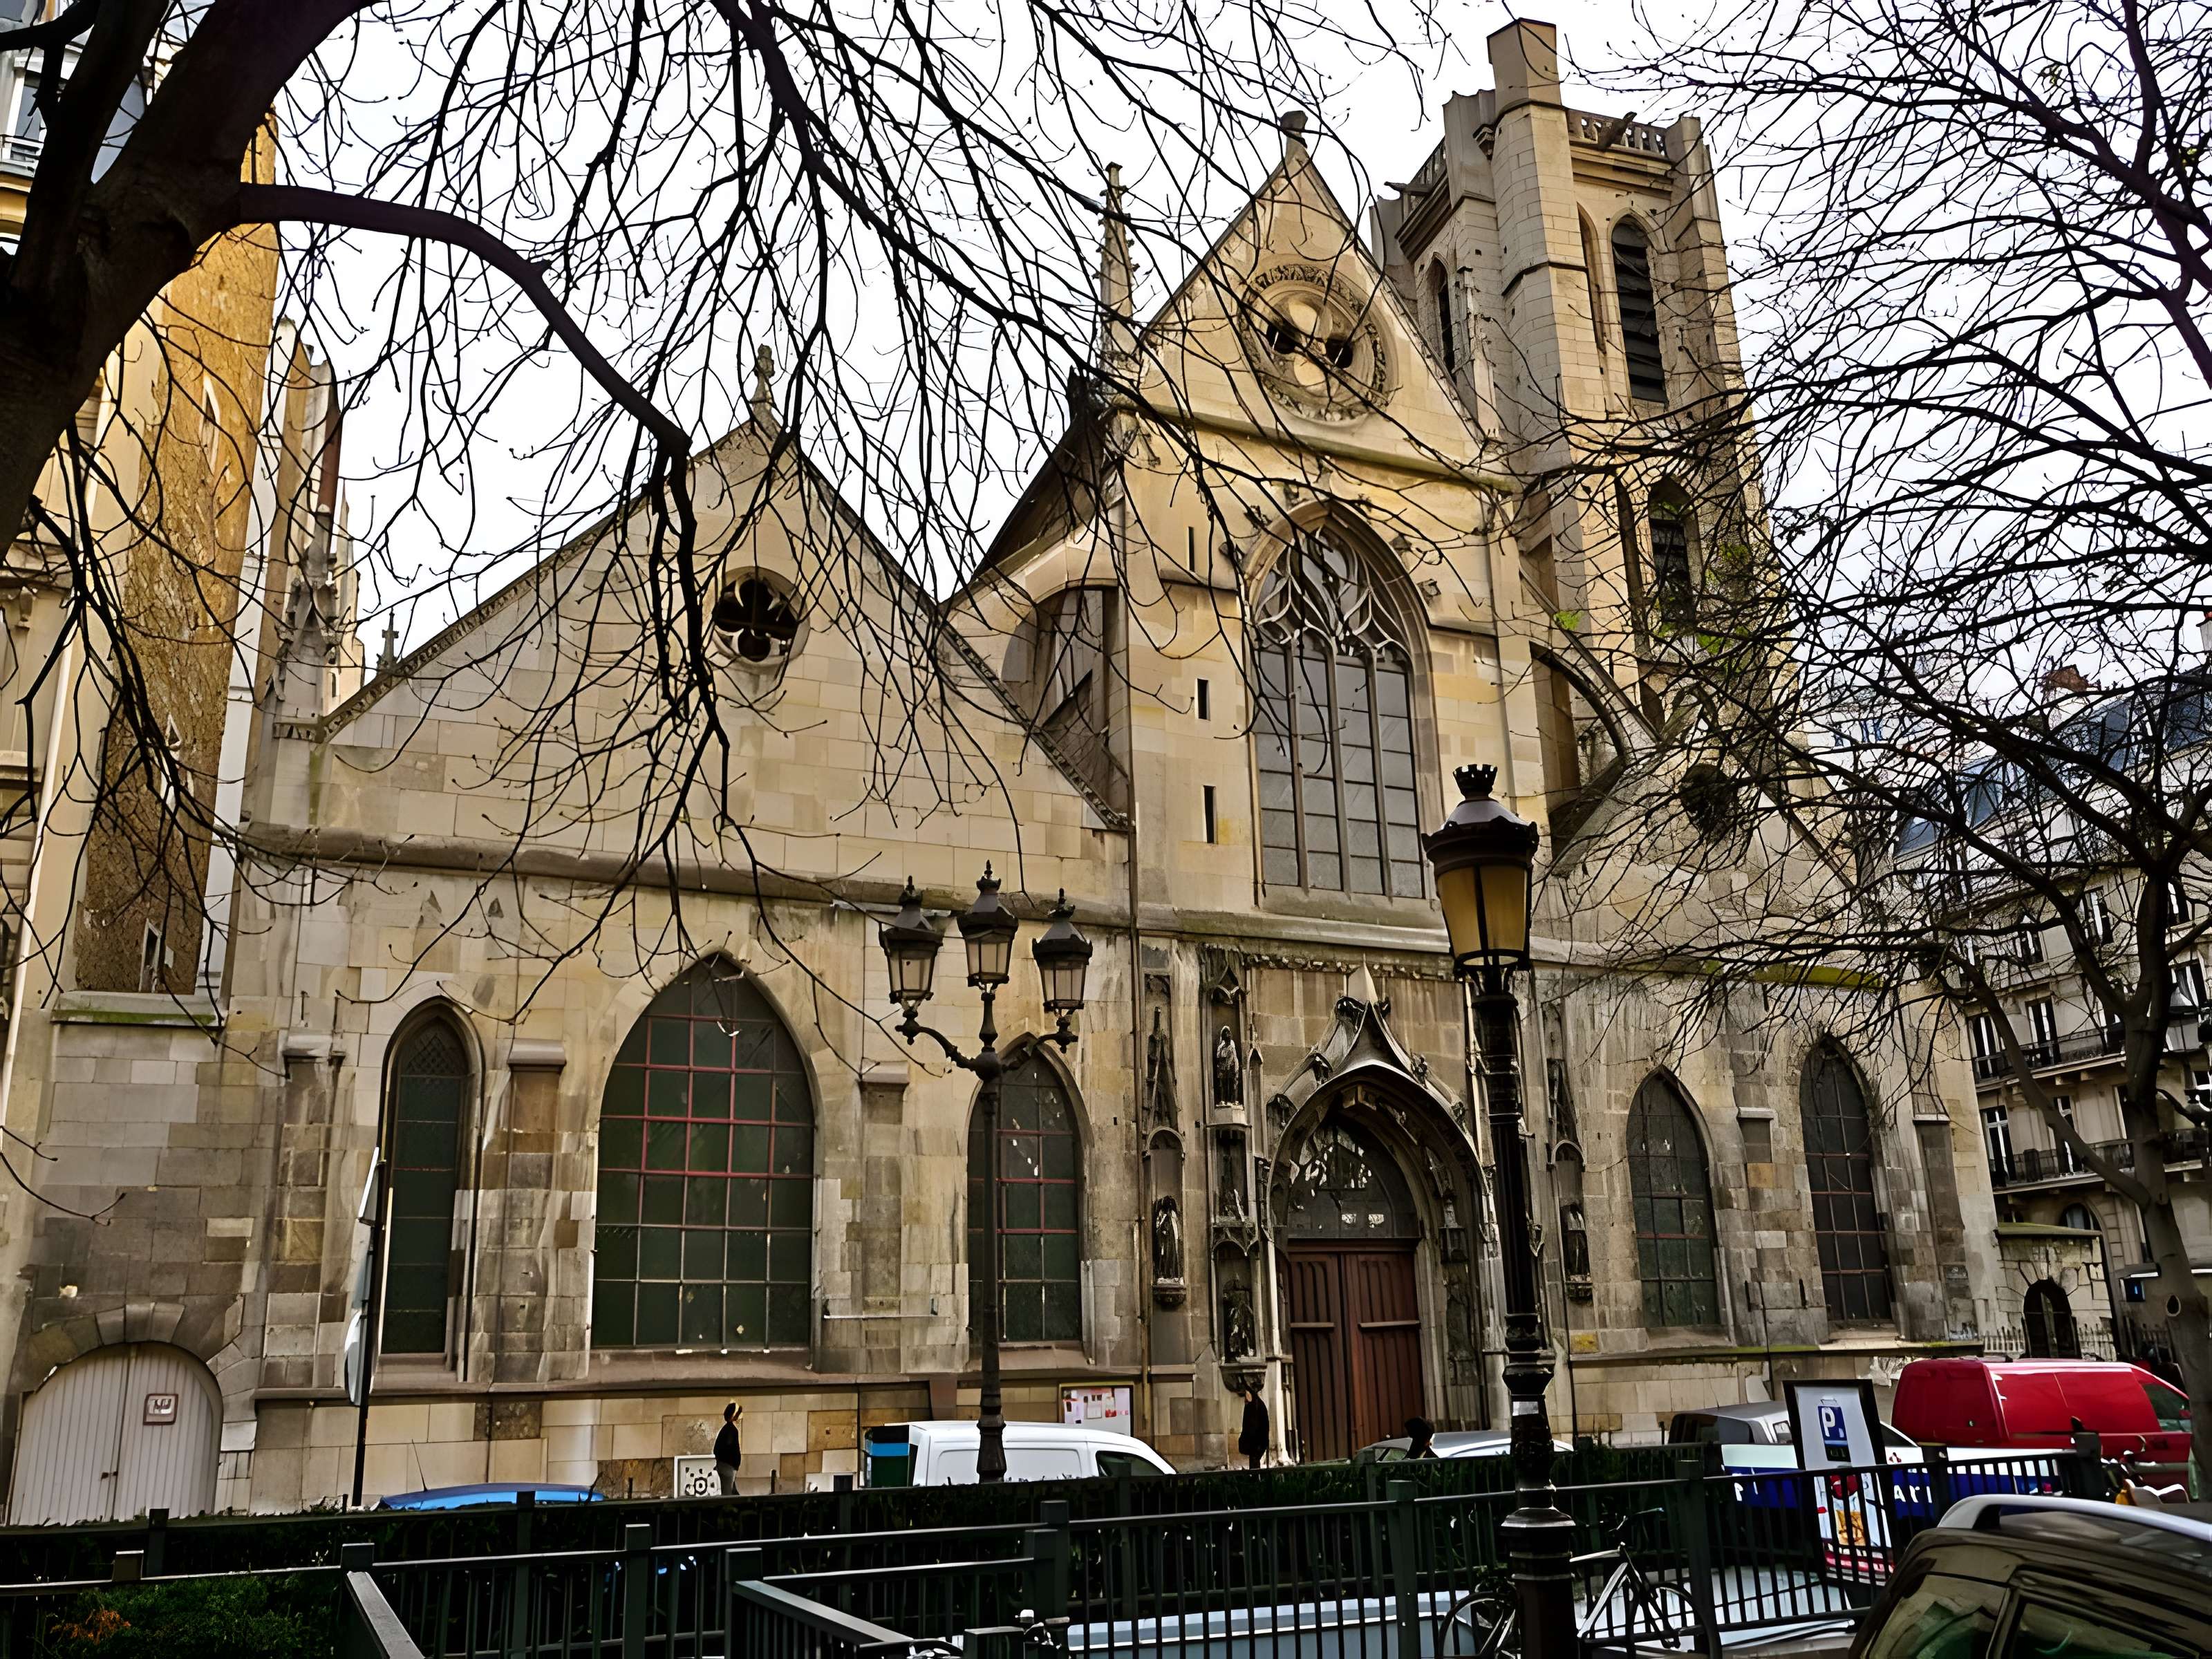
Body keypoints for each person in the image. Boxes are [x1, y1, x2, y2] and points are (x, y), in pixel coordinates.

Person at [1237, 1382, 1270, 1470]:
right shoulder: (1252, 1405)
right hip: (1254, 1440)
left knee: (1255, 1460)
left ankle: (1255, 1476)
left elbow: (1257, 1424)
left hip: (1257, 1440)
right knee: (1254, 1460)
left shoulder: (1257, 1406)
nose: (1245, 1399)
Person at [715, 1402, 744, 1494]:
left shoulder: (726, 1429)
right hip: (729, 1467)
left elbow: (716, 1449)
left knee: (731, 1492)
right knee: (728, 1494)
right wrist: (734, 1464)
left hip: (726, 1466)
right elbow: (730, 1448)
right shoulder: (731, 1430)